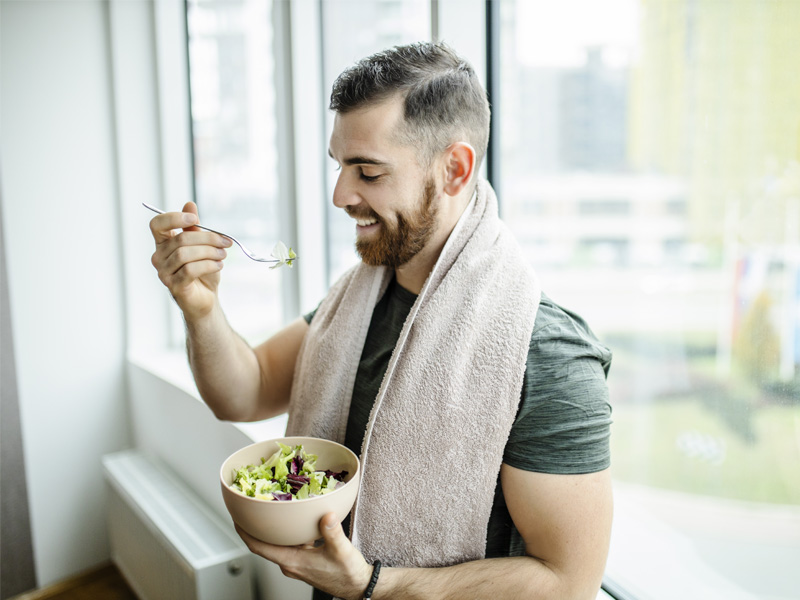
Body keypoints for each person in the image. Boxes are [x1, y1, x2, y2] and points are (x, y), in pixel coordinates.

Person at [149, 42, 613, 600]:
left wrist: (374, 586)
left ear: (454, 169)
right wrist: (201, 308)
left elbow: (569, 583)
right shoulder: (357, 299)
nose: (342, 195)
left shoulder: (547, 356)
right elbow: (242, 393)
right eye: (340, 166)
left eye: (367, 171)